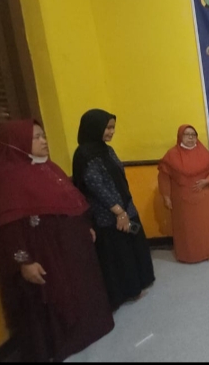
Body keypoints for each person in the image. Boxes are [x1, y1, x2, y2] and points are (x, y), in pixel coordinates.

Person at [0, 119, 114, 362]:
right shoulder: (6, 178)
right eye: (36, 137)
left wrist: (85, 226)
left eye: (43, 135)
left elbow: (71, 202)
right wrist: (24, 261)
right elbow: (7, 227)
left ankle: (91, 329)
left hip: (72, 245)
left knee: (82, 289)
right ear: (17, 142)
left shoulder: (50, 168)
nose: (44, 141)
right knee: (57, 294)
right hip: (44, 250)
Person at [72, 109, 155, 310]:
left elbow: (119, 177)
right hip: (107, 214)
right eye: (107, 128)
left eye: (113, 128)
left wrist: (125, 208)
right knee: (119, 251)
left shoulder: (107, 150)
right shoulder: (84, 154)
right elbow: (96, 185)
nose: (111, 132)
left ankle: (141, 281)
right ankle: (128, 290)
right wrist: (119, 212)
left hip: (125, 205)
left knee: (134, 242)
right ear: (94, 128)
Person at [158, 125, 209, 262]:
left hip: (204, 198)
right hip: (183, 201)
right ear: (180, 136)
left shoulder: (203, 152)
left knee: (206, 227)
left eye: (193, 135)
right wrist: (166, 196)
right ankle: (190, 255)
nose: (190, 137)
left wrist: (207, 181)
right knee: (188, 229)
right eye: (187, 134)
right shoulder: (172, 155)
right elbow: (163, 177)